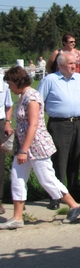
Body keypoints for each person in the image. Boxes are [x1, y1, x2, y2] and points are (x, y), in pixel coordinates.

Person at [0, 66, 80, 229]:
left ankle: (74, 205)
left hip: (36, 146)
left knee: (47, 179)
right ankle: (17, 217)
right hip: (24, 147)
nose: (9, 87)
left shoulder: (32, 97)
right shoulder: (22, 95)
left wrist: (24, 149)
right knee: (17, 179)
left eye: (10, 83)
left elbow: (33, 125)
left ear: (17, 81)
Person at [38, 51, 80, 209]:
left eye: (75, 63)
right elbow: (39, 102)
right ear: (60, 65)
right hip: (59, 124)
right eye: (70, 63)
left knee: (75, 157)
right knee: (59, 160)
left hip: (77, 122)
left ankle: (75, 190)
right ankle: (56, 195)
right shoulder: (50, 80)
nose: (74, 65)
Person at [0, 76, 14, 215]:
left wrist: (8, 122)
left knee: (0, 163)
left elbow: (8, 104)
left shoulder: (2, 81)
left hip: (0, 121)